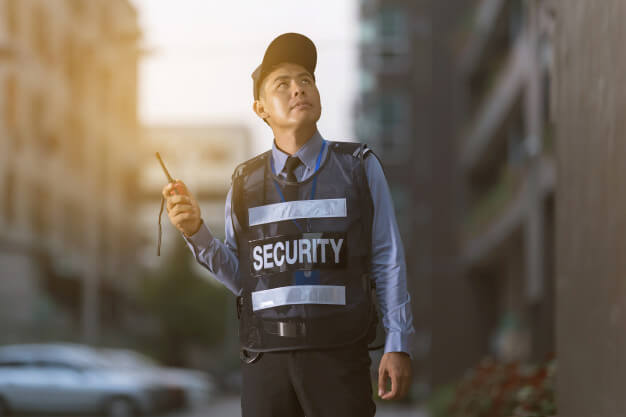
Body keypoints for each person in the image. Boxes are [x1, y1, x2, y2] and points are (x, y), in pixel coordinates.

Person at [162, 32, 415, 417]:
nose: (299, 89)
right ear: (260, 108)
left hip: (339, 357)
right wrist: (195, 230)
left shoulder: (359, 167)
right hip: (266, 363)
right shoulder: (244, 182)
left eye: (306, 80)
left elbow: (387, 258)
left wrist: (398, 343)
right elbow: (244, 277)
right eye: (283, 84)